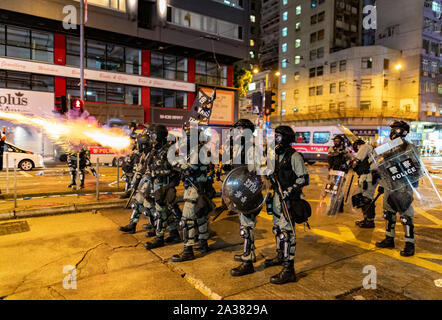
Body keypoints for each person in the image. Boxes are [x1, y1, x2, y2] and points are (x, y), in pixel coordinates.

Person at [264, 125, 309, 284]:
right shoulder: (275, 155)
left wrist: (290, 190)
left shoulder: (294, 156)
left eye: (278, 136)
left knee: (287, 234)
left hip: (288, 200)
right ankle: (280, 255)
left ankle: (289, 270)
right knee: (277, 229)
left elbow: (304, 178)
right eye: (275, 136)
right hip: (277, 197)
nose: (276, 139)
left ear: (286, 138)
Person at [171, 128, 216, 262]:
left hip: (194, 189)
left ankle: (188, 250)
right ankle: (203, 244)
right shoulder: (199, 150)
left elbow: (189, 169)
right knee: (201, 217)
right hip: (200, 188)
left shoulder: (197, 152)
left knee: (187, 220)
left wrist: (175, 163)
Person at [375, 120, 418, 257]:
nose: (393, 132)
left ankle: (409, 243)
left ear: (404, 132)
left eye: (396, 129)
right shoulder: (387, 147)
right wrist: (381, 185)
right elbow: (383, 168)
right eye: (392, 129)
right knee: (388, 213)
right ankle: (389, 238)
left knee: (405, 215)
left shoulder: (409, 147)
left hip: (402, 185)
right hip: (389, 185)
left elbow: (416, 168)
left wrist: (409, 181)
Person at [228, 119, 263, 277]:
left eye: (240, 129)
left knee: (247, 227)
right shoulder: (239, 147)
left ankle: (248, 262)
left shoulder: (252, 148)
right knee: (243, 225)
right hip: (239, 190)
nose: (238, 132)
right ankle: (246, 254)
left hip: (248, 191)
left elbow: (254, 170)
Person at [144, 125, 182, 249]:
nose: (152, 138)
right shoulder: (155, 151)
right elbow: (149, 166)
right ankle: (174, 233)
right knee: (165, 211)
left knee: (161, 212)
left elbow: (178, 171)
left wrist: (170, 186)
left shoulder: (170, 151)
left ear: (159, 136)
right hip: (157, 184)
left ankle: (159, 238)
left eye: (154, 136)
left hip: (166, 185)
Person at [118, 130, 153, 234]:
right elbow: (140, 169)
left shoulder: (151, 155)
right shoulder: (143, 155)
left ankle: (155, 226)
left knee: (150, 206)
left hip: (151, 183)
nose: (137, 145)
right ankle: (132, 225)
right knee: (138, 203)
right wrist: (136, 182)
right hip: (144, 182)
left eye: (139, 144)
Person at [351, 139, 380, 228]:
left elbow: (356, 161)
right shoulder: (370, 149)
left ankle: (369, 221)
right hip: (367, 177)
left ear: (358, 145)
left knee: (367, 199)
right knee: (364, 198)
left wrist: (351, 164)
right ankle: (366, 219)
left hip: (368, 177)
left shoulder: (365, 147)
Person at [327, 135, 352, 212]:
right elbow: (330, 156)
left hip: (342, 172)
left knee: (340, 190)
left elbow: (350, 158)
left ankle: (339, 207)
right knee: (332, 189)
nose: (336, 142)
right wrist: (339, 152)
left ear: (341, 142)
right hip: (333, 171)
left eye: (337, 141)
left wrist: (346, 164)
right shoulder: (332, 149)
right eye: (335, 141)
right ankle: (332, 206)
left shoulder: (345, 150)